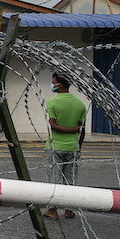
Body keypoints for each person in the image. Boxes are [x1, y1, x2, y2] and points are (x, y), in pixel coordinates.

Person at [42, 72, 87, 220]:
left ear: (59, 85)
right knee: (71, 180)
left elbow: (53, 126)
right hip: (72, 148)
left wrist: (71, 130)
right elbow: (82, 129)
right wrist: (77, 146)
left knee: (53, 180)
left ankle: (52, 210)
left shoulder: (52, 103)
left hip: (55, 147)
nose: (52, 84)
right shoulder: (80, 104)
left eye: (53, 82)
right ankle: (69, 209)